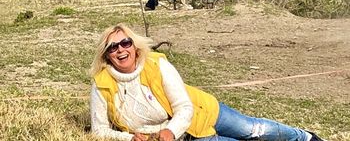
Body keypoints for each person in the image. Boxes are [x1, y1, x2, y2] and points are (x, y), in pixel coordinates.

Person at [90, 23, 325, 141]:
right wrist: (128, 138)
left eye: (125, 43)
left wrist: (170, 131)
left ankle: (304, 137)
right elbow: (99, 129)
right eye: (113, 47)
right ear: (106, 54)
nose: (120, 50)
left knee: (254, 131)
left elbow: (184, 107)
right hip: (186, 137)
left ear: (135, 45)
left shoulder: (156, 65)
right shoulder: (101, 83)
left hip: (203, 112)